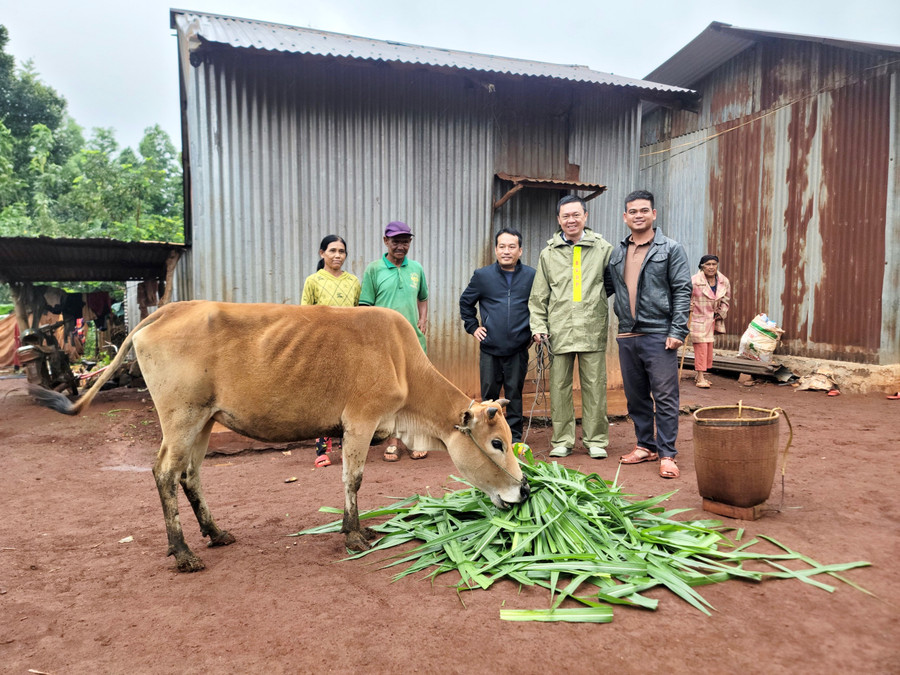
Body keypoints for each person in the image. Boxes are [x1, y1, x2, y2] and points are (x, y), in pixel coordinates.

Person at [608, 189, 691, 479]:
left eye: (644, 210)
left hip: (660, 333)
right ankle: (646, 445)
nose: (638, 215)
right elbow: (608, 288)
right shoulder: (618, 252)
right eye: (633, 211)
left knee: (665, 396)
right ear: (625, 217)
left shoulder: (670, 248)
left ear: (653, 214)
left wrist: (678, 329)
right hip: (627, 334)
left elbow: (682, 289)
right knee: (636, 396)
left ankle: (667, 453)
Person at [528, 195, 614, 459]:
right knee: (560, 387)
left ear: (585, 216)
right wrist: (539, 325)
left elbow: (611, 285)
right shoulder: (549, 253)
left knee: (594, 385)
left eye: (576, 215)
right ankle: (563, 440)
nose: (571, 220)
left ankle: (595, 439)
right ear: (558, 220)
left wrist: (595, 302)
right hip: (559, 328)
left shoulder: (602, 249)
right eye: (566, 216)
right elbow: (539, 295)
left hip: (591, 327)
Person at [360, 221, 430, 461]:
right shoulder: (374, 269)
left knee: (414, 392)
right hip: (385, 345)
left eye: (405, 241)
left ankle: (413, 440)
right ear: (385, 241)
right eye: (396, 241)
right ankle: (392, 442)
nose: (401, 246)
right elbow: (365, 307)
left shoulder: (416, 269)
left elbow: (423, 297)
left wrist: (423, 319)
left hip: (413, 342)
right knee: (391, 393)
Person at [459, 227, 536, 444]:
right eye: (502, 246)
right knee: (490, 396)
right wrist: (473, 327)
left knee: (514, 395)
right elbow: (466, 302)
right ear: (495, 249)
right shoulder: (483, 276)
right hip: (490, 348)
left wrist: (535, 330)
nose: (506, 251)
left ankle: (515, 439)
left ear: (520, 250)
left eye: (512, 247)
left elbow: (539, 305)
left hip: (518, 349)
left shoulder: (531, 276)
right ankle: (488, 436)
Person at [301, 234, 361, 468]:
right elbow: (305, 317)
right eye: (333, 250)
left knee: (349, 399)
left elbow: (358, 315)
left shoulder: (353, 282)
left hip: (349, 349)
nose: (337, 255)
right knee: (324, 399)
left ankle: (348, 448)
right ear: (322, 253)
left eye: (342, 251)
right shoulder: (313, 281)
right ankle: (322, 451)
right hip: (323, 349)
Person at [690, 255, 731, 388]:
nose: (711, 267)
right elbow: (684, 296)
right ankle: (701, 377)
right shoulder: (694, 281)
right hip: (698, 317)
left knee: (708, 346)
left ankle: (699, 374)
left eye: (714, 264)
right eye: (708, 264)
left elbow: (726, 299)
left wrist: (721, 312)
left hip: (713, 318)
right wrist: (687, 306)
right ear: (702, 266)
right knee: (701, 347)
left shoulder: (723, 281)